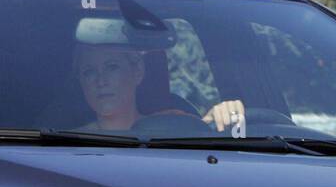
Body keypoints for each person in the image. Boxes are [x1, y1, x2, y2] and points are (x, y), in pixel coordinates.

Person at [73, 44, 245, 133]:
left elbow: (200, 133)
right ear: (81, 81)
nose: (101, 81)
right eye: (89, 72)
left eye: (112, 67)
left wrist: (220, 116)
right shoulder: (65, 145)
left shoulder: (173, 126)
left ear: (138, 72)